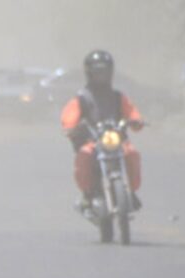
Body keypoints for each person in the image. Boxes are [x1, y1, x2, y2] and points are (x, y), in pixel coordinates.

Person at [61, 50, 144, 211]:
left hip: (117, 141)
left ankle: (131, 192)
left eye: (105, 72)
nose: (102, 76)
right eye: (98, 72)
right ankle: (87, 194)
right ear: (89, 74)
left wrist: (136, 120)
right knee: (84, 156)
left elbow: (132, 112)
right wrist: (71, 127)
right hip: (92, 141)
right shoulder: (82, 97)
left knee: (132, 154)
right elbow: (69, 116)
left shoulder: (118, 97)